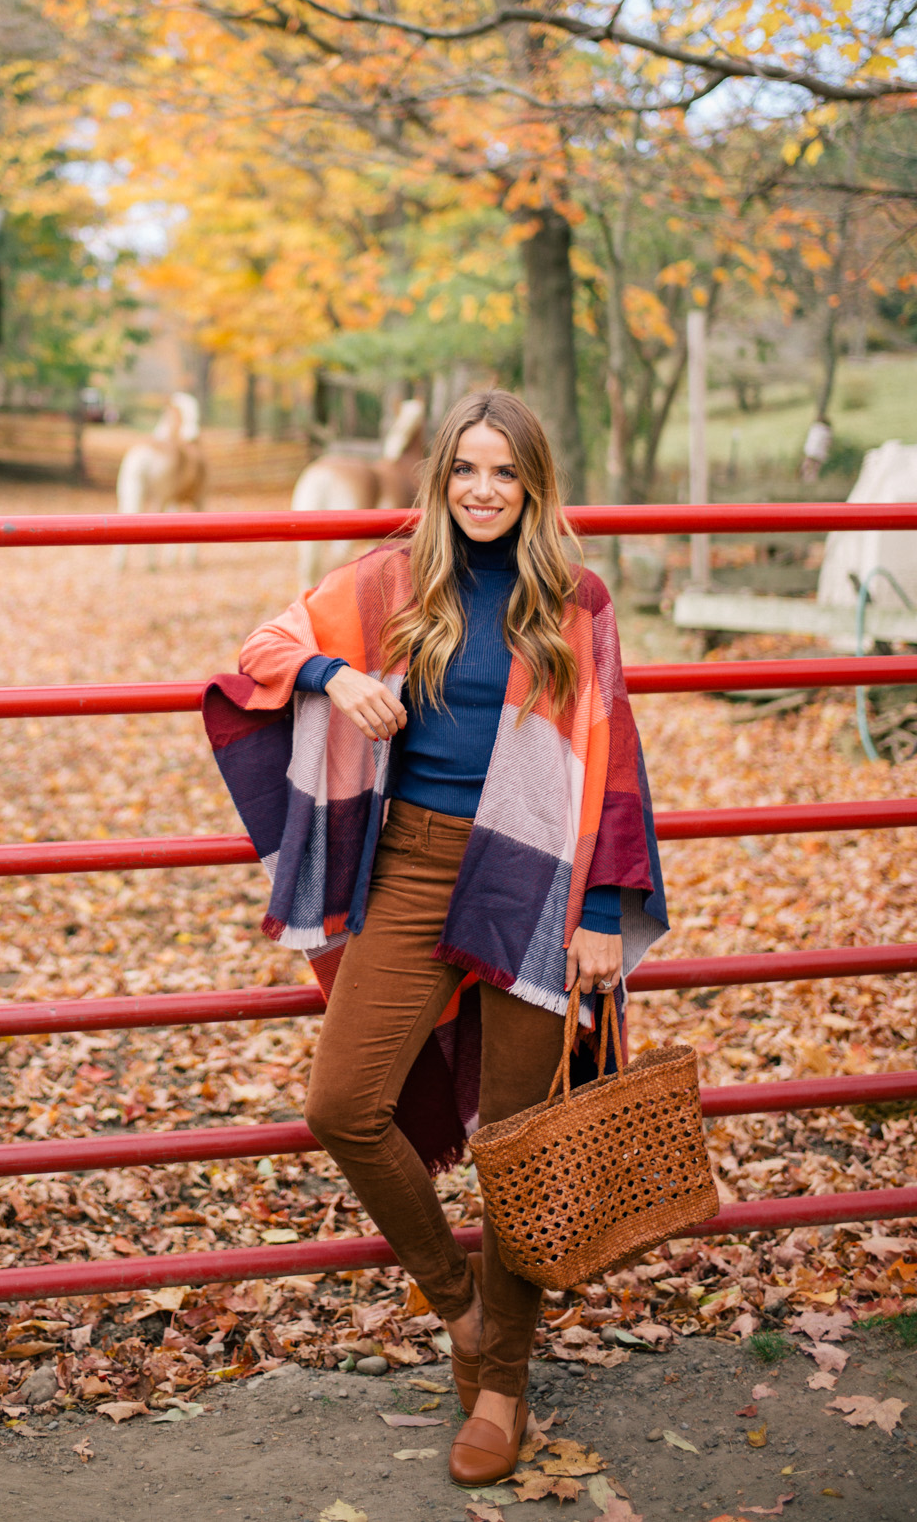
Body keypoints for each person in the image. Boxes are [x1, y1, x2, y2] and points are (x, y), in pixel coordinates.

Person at [203, 391, 668, 1488]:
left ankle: (503, 1378)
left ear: (534, 483)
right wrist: (335, 674)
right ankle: (458, 1304)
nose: (483, 490)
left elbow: (611, 747)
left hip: (533, 875)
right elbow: (265, 646)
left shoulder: (574, 598)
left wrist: (602, 908)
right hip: (412, 863)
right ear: (439, 477)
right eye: (466, 469)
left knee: (517, 1141)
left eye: (505, 472)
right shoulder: (392, 578)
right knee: (342, 1104)